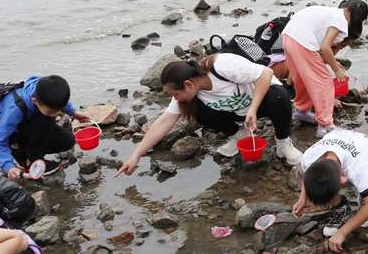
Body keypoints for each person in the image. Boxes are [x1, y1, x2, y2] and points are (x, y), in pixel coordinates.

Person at [116, 54, 302, 173]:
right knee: (197, 111)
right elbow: (164, 122)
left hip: (262, 101)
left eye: (176, 93)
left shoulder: (222, 66)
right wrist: (136, 154)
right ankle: (240, 133)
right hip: (237, 112)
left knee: (279, 96)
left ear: (188, 84)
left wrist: (253, 109)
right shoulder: (189, 94)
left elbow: (266, 73)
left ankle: (283, 143)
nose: (176, 98)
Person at [292, 129, 368, 251]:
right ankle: (342, 208)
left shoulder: (356, 166)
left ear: (343, 180)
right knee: (322, 185)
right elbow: (308, 175)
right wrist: (303, 199)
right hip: (343, 144)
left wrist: (342, 233)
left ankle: (366, 195)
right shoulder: (309, 157)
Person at [281, 0, 368, 136]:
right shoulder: (342, 19)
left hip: (289, 37)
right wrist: (337, 70)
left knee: (304, 79)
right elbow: (324, 48)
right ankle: (325, 125)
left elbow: (322, 52)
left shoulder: (332, 13)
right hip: (302, 40)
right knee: (324, 82)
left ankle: (301, 111)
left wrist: (332, 62)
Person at [0, 75, 91, 179]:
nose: (56, 114)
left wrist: (74, 113)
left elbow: (61, 103)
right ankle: (27, 159)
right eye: (52, 111)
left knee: (68, 141)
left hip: (27, 122)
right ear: (35, 101)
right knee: (46, 120)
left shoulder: (45, 90)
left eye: (58, 110)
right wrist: (8, 167)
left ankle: (29, 151)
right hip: (6, 130)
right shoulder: (14, 110)